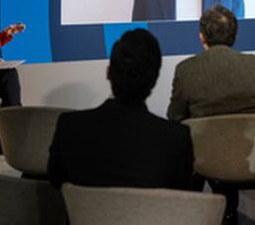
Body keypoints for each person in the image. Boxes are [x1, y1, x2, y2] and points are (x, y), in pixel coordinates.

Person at [48, 29, 194, 189]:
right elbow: (182, 202)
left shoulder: (69, 128)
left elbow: (56, 189)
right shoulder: (176, 139)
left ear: (108, 72)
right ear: (154, 79)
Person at [166, 5, 255, 122]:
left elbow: (174, 117)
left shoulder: (185, 70)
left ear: (201, 37)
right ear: (235, 36)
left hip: (205, 145)